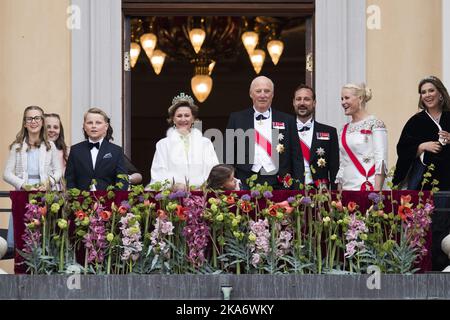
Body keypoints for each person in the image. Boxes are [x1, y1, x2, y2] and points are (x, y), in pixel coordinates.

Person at [225, 76, 304, 189]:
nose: (263, 95)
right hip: (245, 180)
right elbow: (228, 154)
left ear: (272, 95)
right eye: (258, 91)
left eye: (267, 91)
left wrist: (298, 187)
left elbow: (296, 156)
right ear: (251, 94)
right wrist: (229, 183)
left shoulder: (287, 120)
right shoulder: (236, 118)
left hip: (279, 182)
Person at [149, 93, 219, 189]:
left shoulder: (205, 143)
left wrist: (201, 187)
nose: (183, 119)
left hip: (201, 195)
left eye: (187, 115)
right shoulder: (163, 144)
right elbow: (158, 173)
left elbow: (213, 170)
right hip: (172, 197)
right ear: (173, 119)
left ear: (193, 119)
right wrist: (174, 186)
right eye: (179, 116)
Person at [393, 76, 450, 190]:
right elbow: (402, 149)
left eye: (431, 90)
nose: (427, 95)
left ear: (440, 94)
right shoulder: (415, 121)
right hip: (423, 183)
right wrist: (421, 147)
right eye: (423, 92)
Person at [335, 83, 388, 191]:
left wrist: (376, 194)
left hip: (369, 187)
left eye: (347, 98)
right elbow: (343, 164)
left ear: (359, 98)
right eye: (341, 99)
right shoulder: (343, 129)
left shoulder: (375, 124)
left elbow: (381, 160)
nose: (343, 102)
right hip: (347, 189)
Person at [65, 107, 128, 190]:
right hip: (80, 200)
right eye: (90, 123)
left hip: (108, 200)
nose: (93, 126)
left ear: (106, 126)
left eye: (98, 123)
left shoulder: (116, 151)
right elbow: (69, 179)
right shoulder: (75, 150)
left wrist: (111, 197)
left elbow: (122, 180)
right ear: (84, 126)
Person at [3, 106, 62, 191]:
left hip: (45, 193)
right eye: (29, 119)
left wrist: (49, 184)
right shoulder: (17, 147)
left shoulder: (50, 145)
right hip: (23, 192)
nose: (33, 121)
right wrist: (24, 185)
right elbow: (6, 174)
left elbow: (58, 171)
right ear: (24, 123)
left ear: (42, 122)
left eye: (37, 118)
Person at [293, 84, 339, 189]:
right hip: (292, 191)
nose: (302, 103)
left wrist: (335, 196)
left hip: (320, 192)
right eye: (298, 99)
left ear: (314, 103)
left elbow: (334, 168)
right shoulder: (284, 131)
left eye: (307, 99)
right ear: (293, 102)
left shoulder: (329, 132)